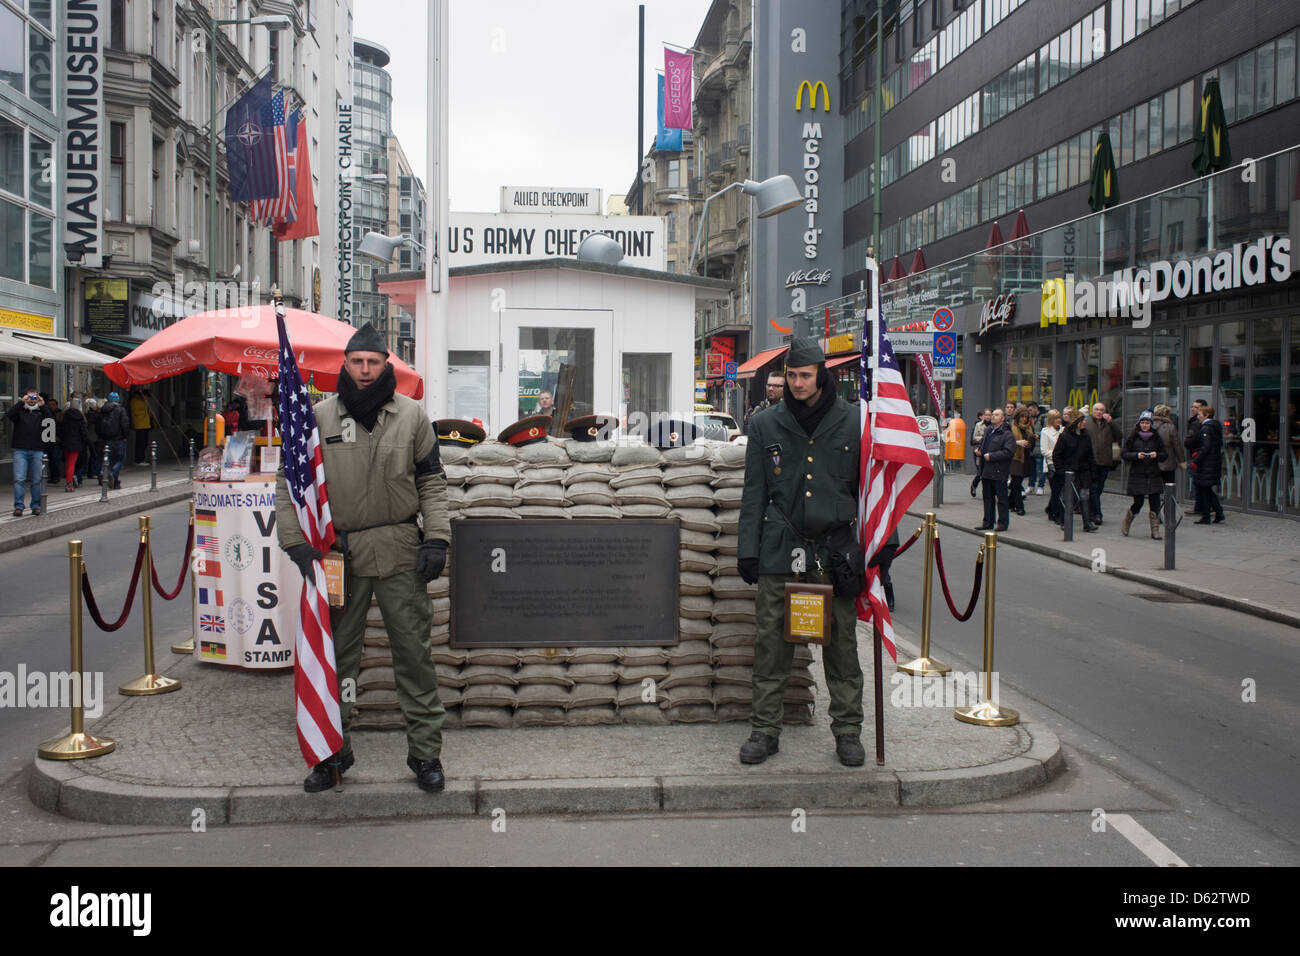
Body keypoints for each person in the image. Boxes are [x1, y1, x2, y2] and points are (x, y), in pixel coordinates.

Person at [276, 322, 452, 794]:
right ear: (346, 365)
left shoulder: (413, 416)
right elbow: (289, 484)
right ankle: (332, 754)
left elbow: (432, 482)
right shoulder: (318, 417)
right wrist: (295, 542)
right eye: (358, 362)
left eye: (374, 362)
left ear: (385, 365)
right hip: (338, 557)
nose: (366, 369)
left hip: (399, 553)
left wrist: (437, 538)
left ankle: (425, 754)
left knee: (413, 656)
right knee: (337, 659)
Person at [738, 337, 865, 768]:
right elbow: (754, 492)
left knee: (842, 645)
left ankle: (848, 731)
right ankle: (764, 730)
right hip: (781, 545)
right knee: (771, 643)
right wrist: (748, 550)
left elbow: (869, 490)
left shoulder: (853, 421)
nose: (796, 383)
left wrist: (880, 549)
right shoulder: (766, 424)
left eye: (804, 375)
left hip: (834, 549)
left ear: (820, 375)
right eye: (790, 375)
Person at [1120, 411, 1170, 538]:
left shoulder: (1156, 437)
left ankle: (1155, 530)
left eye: (1147, 423)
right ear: (1139, 423)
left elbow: (1164, 455)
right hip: (1138, 474)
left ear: (1151, 424)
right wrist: (1136, 455)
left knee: (1155, 503)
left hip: (1153, 474)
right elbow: (1124, 453)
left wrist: (1156, 455)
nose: (1145, 425)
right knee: (1138, 502)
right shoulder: (1133, 437)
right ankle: (1126, 523)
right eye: (1142, 422)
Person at [6, 387, 55, 516]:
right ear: (25, 397)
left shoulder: (41, 412)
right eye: (30, 397)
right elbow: (9, 415)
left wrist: (43, 406)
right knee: (19, 479)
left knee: (36, 480)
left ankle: (36, 505)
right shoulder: (20, 411)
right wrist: (21, 402)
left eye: (34, 397)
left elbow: (50, 420)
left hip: (37, 450)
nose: (32, 400)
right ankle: (19, 506)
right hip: (20, 450)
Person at [1052, 412, 1099, 532]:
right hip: (1070, 472)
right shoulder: (1065, 436)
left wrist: (1093, 472)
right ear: (1076, 422)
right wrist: (1061, 471)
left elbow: (1090, 456)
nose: (1084, 422)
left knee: (1085, 496)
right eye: (1082, 420)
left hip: (1084, 472)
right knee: (1069, 497)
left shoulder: (1086, 436)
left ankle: (1087, 522)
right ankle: (1064, 521)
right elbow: (1057, 455)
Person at [975, 407, 1014, 531]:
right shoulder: (988, 430)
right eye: (992, 414)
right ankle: (987, 522)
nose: (993, 416)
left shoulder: (1007, 434)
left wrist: (992, 456)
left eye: (996, 415)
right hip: (986, 470)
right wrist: (979, 450)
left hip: (999, 470)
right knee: (987, 498)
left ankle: (1002, 523)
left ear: (1002, 418)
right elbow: (983, 443)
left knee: (1001, 498)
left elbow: (1008, 452)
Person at [1083, 402, 1121, 524]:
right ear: (1092, 411)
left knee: (1099, 488)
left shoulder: (1108, 424)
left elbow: (1120, 435)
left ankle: (1089, 510)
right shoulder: (1087, 423)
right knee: (1093, 488)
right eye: (1097, 409)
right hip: (1091, 461)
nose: (1099, 412)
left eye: (1102, 410)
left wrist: (1112, 422)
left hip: (1105, 461)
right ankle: (1097, 514)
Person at [1188, 405, 1225, 524]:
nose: (1197, 417)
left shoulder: (1206, 428)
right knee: (1207, 489)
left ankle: (1206, 516)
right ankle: (1218, 513)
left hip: (1206, 464)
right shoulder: (1214, 426)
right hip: (1212, 462)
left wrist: (1196, 460)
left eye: (1199, 414)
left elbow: (1206, 446)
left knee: (1203, 489)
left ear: (1206, 415)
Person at [95, 392, 130, 489]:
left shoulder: (102, 410)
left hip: (105, 439)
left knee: (107, 458)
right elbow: (125, 425)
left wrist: (100, 436)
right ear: (118, 400)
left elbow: (97, 425)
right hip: (118, 439)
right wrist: (125, 436)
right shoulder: (121, 410)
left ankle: (103, 472)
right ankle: (113, 474)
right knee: (119, 459)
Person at [58, 398, 91, 492]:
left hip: (65, 443)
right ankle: (69, 482)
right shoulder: (80, 417)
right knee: (72, 463)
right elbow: (84, 432)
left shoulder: (64, 416)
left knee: (68, 462)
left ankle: (71, 477)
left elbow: (60, 430)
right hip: (76, 443)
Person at [1008, 407, 1035, 516]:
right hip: (1015, 458)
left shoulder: (1029, 427)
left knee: (1016, 482)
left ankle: (1010, 502)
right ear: (1017, 417)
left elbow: (1031, 443)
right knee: (1017, 482)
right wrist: (1017, 442)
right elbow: (1007, 441)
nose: (1024, 419)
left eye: (1026, 417)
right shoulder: (1011, 427)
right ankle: (1020, 507)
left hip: (1026, 457)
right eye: (1022, 417)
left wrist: (1032, 439)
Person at [1040, 409, 1064, 523]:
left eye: (1059, 417)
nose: (1058, 420)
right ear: (1050, 420)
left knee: (1059, 490)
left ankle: (1050, 509)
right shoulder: (1045, 432)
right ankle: (1056, 513)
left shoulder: (1063, 430)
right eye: (1055, 418)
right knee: (1056, 490)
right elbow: (1044, 450)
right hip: (1051, 464)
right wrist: (1057, 455)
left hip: (1062, 464)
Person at [969, 408, 991, 497]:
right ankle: (974, 485)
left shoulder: (994, 425)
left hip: (990, 452)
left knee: (988, 472)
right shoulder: (978, 425)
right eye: (986, 415)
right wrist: (983, 439)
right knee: (980, 472)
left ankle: (987, 491)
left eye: (990, 415)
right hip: (979, 451)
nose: (988, 417)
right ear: (983, 416)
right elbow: (973, 439)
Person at [130, 389, 152, 464]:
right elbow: (136, 412)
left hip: (145, 424)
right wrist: (145, 411)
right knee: (140, 443)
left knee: (144, 442)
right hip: (140, 425)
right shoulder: (135, 401)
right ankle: (139, 459)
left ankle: (142, 458)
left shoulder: (143, 401)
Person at [84, 398, 104, 481]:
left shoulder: (86, 414)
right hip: (95, 437)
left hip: (90, 436)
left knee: (92, 455)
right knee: (96, 455)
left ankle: (90, 472)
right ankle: (94, 472)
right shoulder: (96, 415)